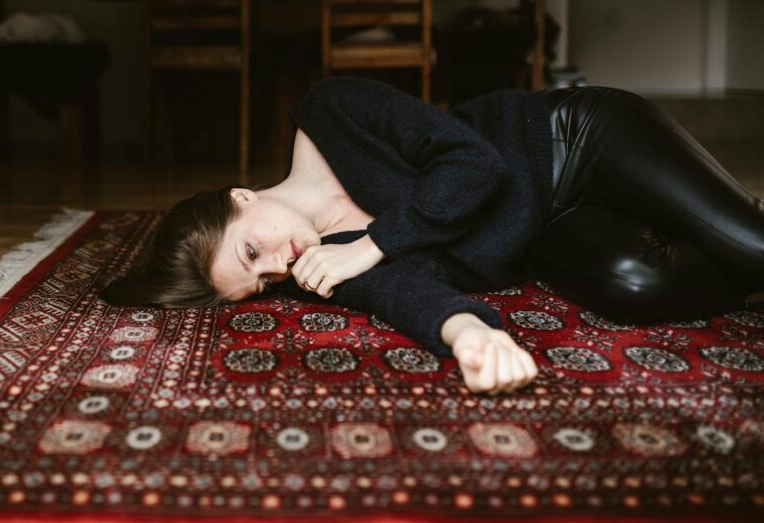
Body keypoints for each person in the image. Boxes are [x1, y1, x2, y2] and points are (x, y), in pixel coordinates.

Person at [100, 77, 764, 395]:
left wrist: (373, 240)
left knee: (754, 249)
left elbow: (476, 163)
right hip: (549, 225)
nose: (281, 265)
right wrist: (468, 333)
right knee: (636, 285)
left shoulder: (333, 111)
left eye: (254, 248)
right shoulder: (321, 268)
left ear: (241, 197)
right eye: (263, 281)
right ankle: (727, 219)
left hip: (571, 140)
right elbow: (404, 294)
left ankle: (739, 224)